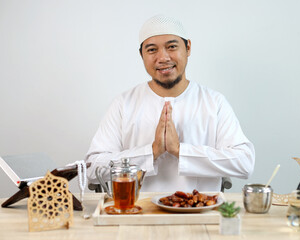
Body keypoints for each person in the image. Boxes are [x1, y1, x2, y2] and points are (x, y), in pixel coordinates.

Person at [85, 15, 255, 192]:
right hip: (138, 214)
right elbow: (92, 168)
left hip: (199, 214)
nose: (163, 58)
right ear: (141, 54)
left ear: (188, 47)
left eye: (172, 47)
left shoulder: (214, 102)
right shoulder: (124, 104)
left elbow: (244, 162)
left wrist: (181, 151)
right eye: (152, 50)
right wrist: (151, 152)